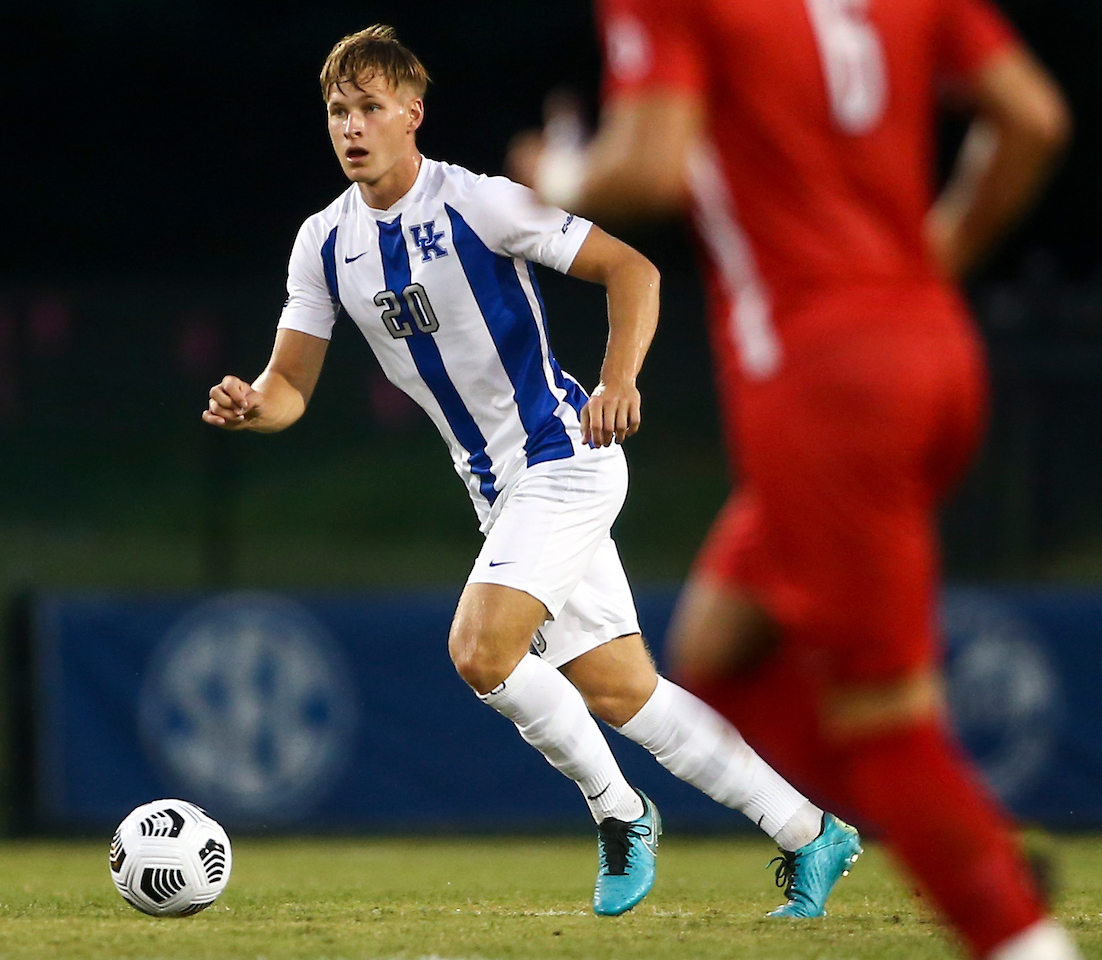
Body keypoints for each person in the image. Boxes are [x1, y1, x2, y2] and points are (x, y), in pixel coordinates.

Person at [203, 24, 860, 919]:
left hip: (567, 461)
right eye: (336, 112)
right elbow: (290, 388)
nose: (350, 127)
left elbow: (634, 270)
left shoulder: (480, 204)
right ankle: (811, 833)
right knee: (626, 692)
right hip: (500, 494)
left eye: (368, 108)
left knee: (480, 648)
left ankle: (621, 815)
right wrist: (253, 403)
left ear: (412, 115)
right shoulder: (323, 243)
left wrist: (620, 378)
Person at [508, 0, 1077, 956]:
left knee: (886, 724)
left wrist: (555, 173)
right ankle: (960, 831)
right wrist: (931, 264)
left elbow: (645, 166)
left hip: (822, 390)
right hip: (934, 352)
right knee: (720, 650)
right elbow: (1033, 118)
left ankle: (1004, 904)